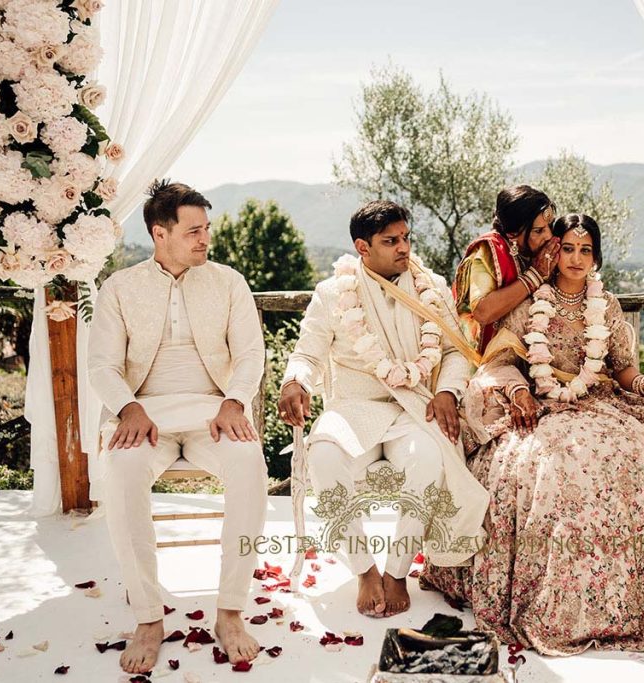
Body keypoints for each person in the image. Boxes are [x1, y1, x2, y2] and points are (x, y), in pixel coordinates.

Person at [422, 213, 644, 655]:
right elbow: (498, 360)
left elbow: (622, 366)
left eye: (585, 250)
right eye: (567, 248)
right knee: (557, 469)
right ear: (553, 252)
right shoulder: (531, 302)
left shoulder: (605, 305)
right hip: (543, 406)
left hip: (602, 401)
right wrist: (517, 391)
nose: (574, 258)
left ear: (597, 257)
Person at [88, 180, 269, 673]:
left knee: (250, 465)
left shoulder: (228, 281)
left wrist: (235, 400)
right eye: (193, 231)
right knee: (121, 473)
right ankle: (148, 618)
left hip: (215, 412)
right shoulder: (120, 288)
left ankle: (230, 611)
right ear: (159, 233)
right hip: (145, 417)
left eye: (206, 229)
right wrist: (128, 406)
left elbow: (252, 353)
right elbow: (102, 365)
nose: (204, 239)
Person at [278, 200, 488, 618]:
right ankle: (364, 569)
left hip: (411, 408)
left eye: (406, 238)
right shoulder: (332, 293)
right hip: (352, 409)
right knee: (321, 455)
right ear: (362, 247)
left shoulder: (430, 285)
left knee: (429, 458)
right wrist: (293, 381)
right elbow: (308, 353)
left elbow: (452, 351)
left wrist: (446, 390)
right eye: (390, 241)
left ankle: (396, 569)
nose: (403, 248)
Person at [453, 185, 560, 353]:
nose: (548, 236)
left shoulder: (545, 250)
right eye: (538, 231)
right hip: (482, 358)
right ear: (513, 234)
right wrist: (535, 276)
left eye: (549, 226)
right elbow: (483, 312)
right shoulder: (489, 250)